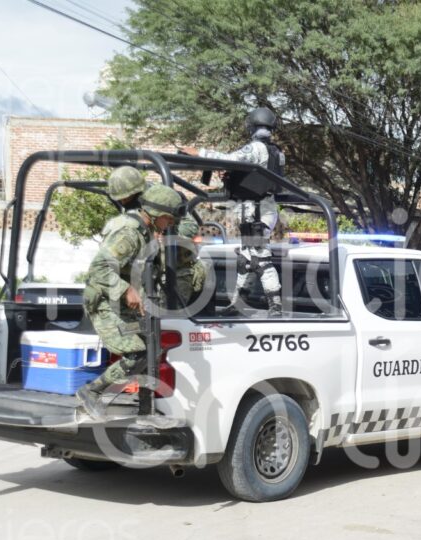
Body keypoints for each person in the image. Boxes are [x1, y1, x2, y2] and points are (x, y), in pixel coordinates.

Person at [76, 183, 195, 420]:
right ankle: (92, 391)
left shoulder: (146, 231)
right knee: (138, 354)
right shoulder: (129, 233)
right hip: (104, 304)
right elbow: (99, 268)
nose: (170, 224)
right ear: (157, 214)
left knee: (153, 349)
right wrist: (127, 289)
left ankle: (145, 406)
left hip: (123, 306)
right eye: (168, 219)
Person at [194, 106, 286, 316]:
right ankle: (238, 305)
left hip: (257, 211)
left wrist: (199, 153)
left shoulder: (256, 148)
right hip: (259, 209)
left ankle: (276, 307)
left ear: (252, 125)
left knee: (260, 257)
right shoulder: (277, 152)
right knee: (246, 258)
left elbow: (229, 159)